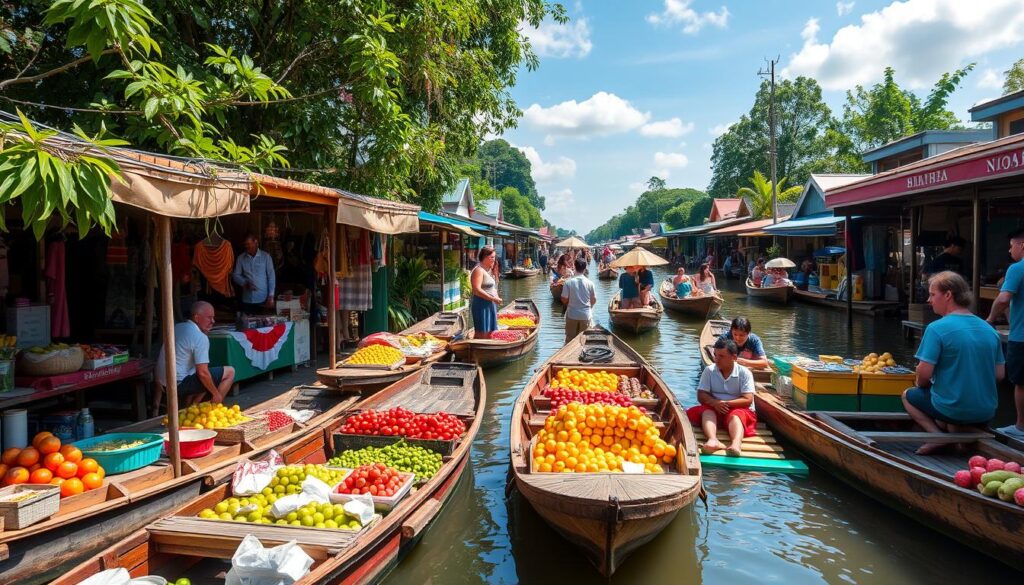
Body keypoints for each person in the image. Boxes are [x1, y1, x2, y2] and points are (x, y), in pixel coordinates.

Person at [903, 272, 1004, 455]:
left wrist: (923, 385)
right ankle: (955, 430)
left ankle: (936, 436)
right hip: (986, 411)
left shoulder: (936, 328)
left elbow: (923, 375)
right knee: (949, 422)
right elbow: (999, 375)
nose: (929, 300)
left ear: (948, 295)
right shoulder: (989, 329)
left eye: (933, 294)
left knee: (908, 395)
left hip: (953, 409)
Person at [154, 301, 236, 413]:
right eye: (209, 318)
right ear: (196, 318)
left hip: (162, 381)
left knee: (206, 373)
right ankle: (213, 410)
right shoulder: (199, 337)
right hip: (177, 385)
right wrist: (216, 394)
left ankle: (192, 407)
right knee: (230, 372)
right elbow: (203, 373)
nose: (213, 321)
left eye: (213, 318)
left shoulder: (178, 326)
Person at [687, 338, 757, 456]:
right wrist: (715, 403)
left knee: (736, 415)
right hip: (716, 407)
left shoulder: (744, 373)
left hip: (738, 408)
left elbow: (748, 400)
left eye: (721, 356)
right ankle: (713, 440)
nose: (716, 359)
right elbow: (701, 395)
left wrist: (725, 403)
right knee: (707, 411)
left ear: (734, 357)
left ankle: (736, 444)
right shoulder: (709, 370)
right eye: (715, 355)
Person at [986, 228, 1024, 438]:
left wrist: (990, 319)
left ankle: (1020, 427)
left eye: (1011, 246)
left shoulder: (1017, 269)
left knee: (1020, 382)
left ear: (1022, 245)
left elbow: (1003, 299)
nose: (1010, 251)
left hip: (1021, 337)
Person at [232, 234, 276, 313]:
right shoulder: (241, 258)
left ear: (256, 242)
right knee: (247, 323)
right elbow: (235, 275)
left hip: (263, 298)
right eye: (245, 244)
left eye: (248, 244)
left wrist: (271, 295)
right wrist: (245, 282)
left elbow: (271, 277)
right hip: (247, 299)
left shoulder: (266, 256)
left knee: (263, 323)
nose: (246, 246)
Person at [561, 257, 597, 343]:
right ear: (585, 269)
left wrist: (570, 300)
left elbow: (564, 299)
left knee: (570, 340)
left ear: (574, 266)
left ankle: (569, 356)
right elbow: (594, 299)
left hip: (572, 315)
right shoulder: (590, 283)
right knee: (584, 340)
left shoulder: (568, 282)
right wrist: (589, 307)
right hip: (586, 315)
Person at [470, 247, 502, 340]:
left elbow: (492, 288)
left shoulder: (488, 270)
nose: (494, 260)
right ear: (485, 257)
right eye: (492, 257)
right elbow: (476, 290)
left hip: (490, 305)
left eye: (494, 257)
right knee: (482, 332)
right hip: (481, 305)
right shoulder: (478, 270)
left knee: (490, 332)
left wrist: (496, 297)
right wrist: (493, 299)